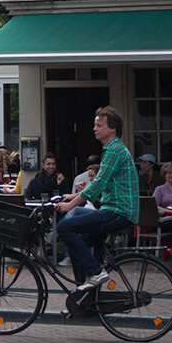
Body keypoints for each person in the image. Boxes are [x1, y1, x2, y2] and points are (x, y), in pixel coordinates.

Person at [54, 106, 139, 289]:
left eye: (99, 125)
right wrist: (73, 196)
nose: (94, 128)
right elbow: (100, 184)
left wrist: (70, 205)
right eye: (95, 125)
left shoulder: (115, 151)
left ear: (112, 129)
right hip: (113, 210)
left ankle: (96, 272)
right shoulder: (111, 149)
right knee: (78, 249)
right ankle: (84, 297)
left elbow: (98, 183)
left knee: (64, 227)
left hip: (118, 212)